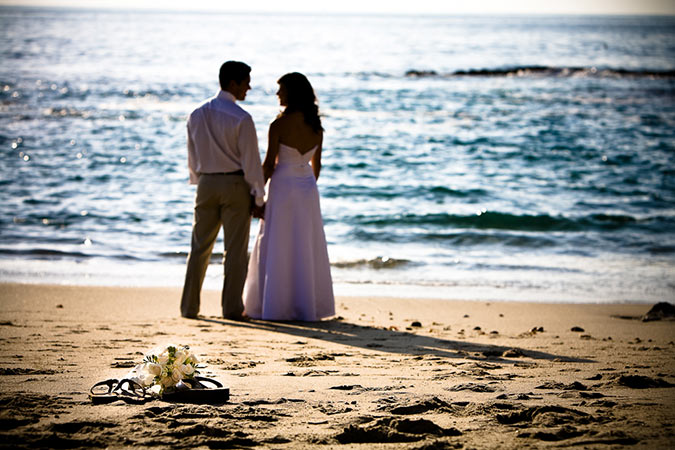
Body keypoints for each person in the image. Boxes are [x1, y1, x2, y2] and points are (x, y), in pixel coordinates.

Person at [243, 72, 335, 321]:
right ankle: (306, 307)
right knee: (305, 244)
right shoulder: (317, 128)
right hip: (307, 189)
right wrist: (306, 185)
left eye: (281, 89)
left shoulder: (279, 125)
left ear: (291, 94)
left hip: (282, 187)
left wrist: (257, 198)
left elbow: (268, 166)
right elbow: (317, 167)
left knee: (278, 243)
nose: (277, 94)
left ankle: (276, 306)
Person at [180, 61, 265, 320]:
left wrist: (199, 180)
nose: (249, 87)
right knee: (235, 251)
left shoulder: (196, 113)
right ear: (233, 83)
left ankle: (189, 307)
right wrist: (259, 196)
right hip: (235, 184)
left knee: (199, 247)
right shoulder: (242, 118)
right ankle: (231, 308)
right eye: (246, 82)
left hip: (206, 183)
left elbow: (192, 155)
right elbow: (251, 162)